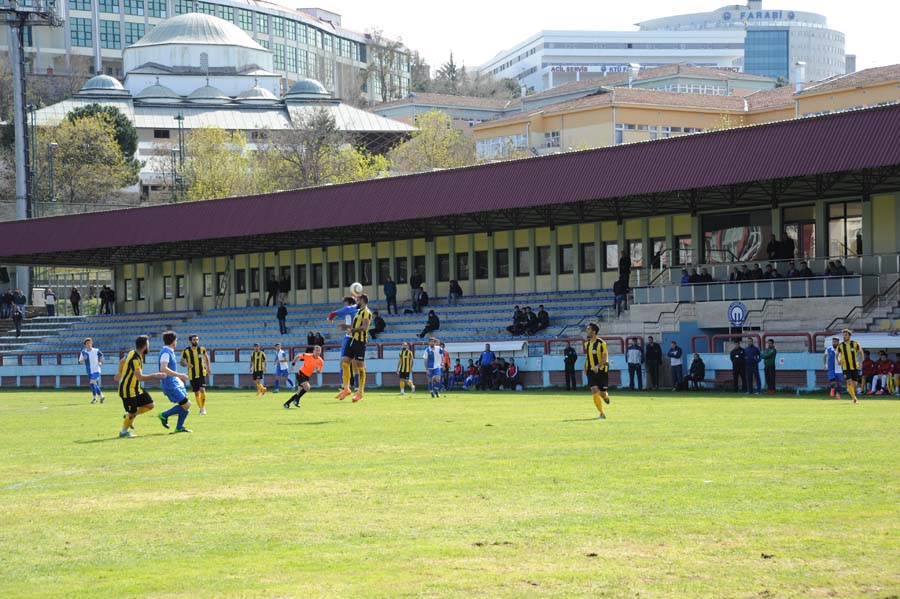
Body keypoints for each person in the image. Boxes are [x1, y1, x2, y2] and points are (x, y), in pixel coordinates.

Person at [114, 335, 166, 438]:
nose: (149, 346)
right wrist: (155, 375)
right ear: (145, 345)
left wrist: (120, 372)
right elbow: (140, 377)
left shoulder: (132, 352)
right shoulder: (135, 358)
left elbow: (122, 361)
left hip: (136, 388)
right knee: (133, 413)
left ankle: (128, 416)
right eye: (148, 344)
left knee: (150, 405)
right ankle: (123, 432)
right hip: (127, 390)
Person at [335, 293, 371, 403]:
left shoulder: (366, 312)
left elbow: (364, 327)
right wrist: (346, 327)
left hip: (360, 341)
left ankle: (360, 392)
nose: (357, 302)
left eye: (358, 300)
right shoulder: (358, 312)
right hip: (352, 339)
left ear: (362, 300)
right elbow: (354, 326)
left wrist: (352, 330)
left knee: (360, 366)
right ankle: (346, 389)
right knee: (345, 362)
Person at [156, 331, 193, 434]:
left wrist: (178, 378)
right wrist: (179, 375)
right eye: (176, 340)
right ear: (173, 341)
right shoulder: (165, 353)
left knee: (185, 406)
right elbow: (164, 368)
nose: (177, 342)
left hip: (174, 383)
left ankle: (179, 428)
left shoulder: (169, 351)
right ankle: (164, 415)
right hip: (170, 384)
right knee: (187, 404)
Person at [584, 323, 611, 419]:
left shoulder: (602, 343)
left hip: (602, 371)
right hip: (591, 371)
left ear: (593, 331)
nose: (586, 331)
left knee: (603, 393)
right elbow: (587, 357)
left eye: (588, 329)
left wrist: (597, 366)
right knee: (594, 390)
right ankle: (602, 413)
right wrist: (585, 367)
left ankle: (606, 397)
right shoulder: (586, 344)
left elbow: (605, 359)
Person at [180, 334, 210, 415]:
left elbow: (206, 357)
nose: (196, 341)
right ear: (190, 341)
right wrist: (187, 365)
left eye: (197, 339)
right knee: (196, 393)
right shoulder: (185, 351)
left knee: (202, 390)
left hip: (201, 373)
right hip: (192, 374)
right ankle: (200, 408)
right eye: (194, 340)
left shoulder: (202, 349)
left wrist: (208, 368)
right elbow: (181, 362)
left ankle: (203, 408)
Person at [838, 329, 863, 404]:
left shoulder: (855, 344)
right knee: (849, 382)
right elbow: (837, 354)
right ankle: (854, 398)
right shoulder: (841, 345)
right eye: (843, 335)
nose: (844, 336)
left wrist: (861, 362)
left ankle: (851, 392)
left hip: (854, 366)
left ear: (849, 336)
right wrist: (838, 360)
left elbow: (861, 352)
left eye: (845, 335)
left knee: (854, 384)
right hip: (845, 367)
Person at [78, 337, 105, 404]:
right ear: (85, 345)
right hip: (89, 371)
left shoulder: (96, 350)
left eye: (90, 343)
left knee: (92, 382)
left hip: (96, 370)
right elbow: (80, 362)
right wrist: (84, 359)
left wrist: (100, 362)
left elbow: (101, 355)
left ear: (92, 343)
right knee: (94, 384)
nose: (89, 344)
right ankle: (101, 396)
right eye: (87, 343)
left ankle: (94, 398)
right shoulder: (83, 352)